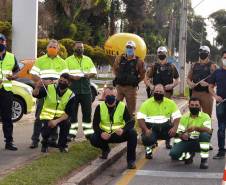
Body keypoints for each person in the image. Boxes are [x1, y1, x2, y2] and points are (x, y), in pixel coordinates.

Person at [29, 39, 68, 148]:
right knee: (39, 116)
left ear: (58, 49)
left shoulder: (62, 62)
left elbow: (65, 78)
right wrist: (41, 81)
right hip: (42, 90)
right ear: (47, 48)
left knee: (54, 115)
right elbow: (33, 75)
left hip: (56, 91)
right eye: (50, 46)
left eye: (54, 47)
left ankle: (53, 140)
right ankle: (35, 140)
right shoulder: (40, 60)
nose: (52, 48)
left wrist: (54, 82)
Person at [89, 86, 137, 169]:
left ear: (116, 96)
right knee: (93, 138)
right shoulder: (99, 107)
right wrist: (101, 133)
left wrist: (123, 130)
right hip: (105, 135)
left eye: (113, 96)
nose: (110, 98)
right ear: (104, 96)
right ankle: (105, 149)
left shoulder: (122, 106)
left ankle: (131, 161)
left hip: (118, 134)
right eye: (108, 96)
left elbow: (130, 122)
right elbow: (95, 125)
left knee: (133, 133)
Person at [145, 46, 180, 149]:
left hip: (168, 95)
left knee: (168, 118)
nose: (161, 54)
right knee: (152, 117)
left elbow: (178, 79)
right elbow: (146, 78)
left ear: (166, 54)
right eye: (159, 52)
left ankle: (168, 141)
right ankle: (152, 139)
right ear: (157, 54)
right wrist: (151, 86)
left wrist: (172, 85)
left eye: (163, 52)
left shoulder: (172, 66)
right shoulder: (154, 66)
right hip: (155, 95)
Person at [32, 73, 75, 153]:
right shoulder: (50, 88)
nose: (61, 83)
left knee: (67, 124)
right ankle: (45, 143)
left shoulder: (71, 95)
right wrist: (37, 87)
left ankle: (62, 146)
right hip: (47, 116)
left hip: (60, 118)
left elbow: (67, 113)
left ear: (69, 83)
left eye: (64, 81)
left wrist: (56, 121)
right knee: (45, 132)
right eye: (60, 80)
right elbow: (35, 95)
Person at [137, 84, 181, 159]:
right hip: (151, 129)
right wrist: (145, 129)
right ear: (153, 92)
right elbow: (140, 118)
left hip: (165, 128)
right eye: (156, 91)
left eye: (160, 92)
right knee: (146, 138)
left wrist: (175, 128)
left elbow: (177, 116)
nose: (158, 93)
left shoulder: (170, 103)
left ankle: (176, 150)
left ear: (164, 93)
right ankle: (148, 151)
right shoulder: (146, 103)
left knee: (181, 132)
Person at [66, 41, 97, 139]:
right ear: (74, 48)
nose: (80, 49)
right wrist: (72, 77)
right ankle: (72, 133)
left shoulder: (88, 59)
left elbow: (94, 72)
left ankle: (88, 133)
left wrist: (89, 75)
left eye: (82, 47)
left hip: (86, 91)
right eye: (78, 47)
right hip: (72, 91)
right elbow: (64, 74)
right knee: (72, 113)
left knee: (87, 113)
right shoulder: (67, 60)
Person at [170, 97, 212, 169]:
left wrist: (196, 128)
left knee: (204, 135)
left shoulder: (205, 116)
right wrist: (182, 135)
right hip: (188, 141)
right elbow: (179, 132)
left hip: (200, 141)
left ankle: (204, 161)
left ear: (200, 106)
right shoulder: (184, 117)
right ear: (188, 106)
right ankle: (189, 155)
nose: (194, 107)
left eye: (196, 105)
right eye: (192, 105)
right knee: (174, 154)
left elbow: (209, 130)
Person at [112, 41, 145, 117]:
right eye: (127, 47)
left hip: (131, 89)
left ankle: (130, 126)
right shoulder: (119, 58)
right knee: (116, 107)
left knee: (131, 111)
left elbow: (142, 75)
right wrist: (119, 77)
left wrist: (135, 81)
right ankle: (117, 124)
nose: (129, 49)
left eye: (131, 47)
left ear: (134, 49)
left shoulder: (139, 61)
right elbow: (114, 69)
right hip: (119, 88)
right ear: (125, 48)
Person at [0, 33, 20, 150]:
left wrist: (13, 77)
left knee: (7, 117)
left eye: (2, 41)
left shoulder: (11, 57)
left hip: (6, 91)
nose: (0, 43)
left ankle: (9, 142)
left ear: (5, 43)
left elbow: (17, 71)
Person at [187, 45, 217, 117]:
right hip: (195, 93)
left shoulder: (212, 66)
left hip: (207, 94)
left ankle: (207, 128)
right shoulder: (194, 65)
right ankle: (194, 128)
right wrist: (190, 83)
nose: (202, 53)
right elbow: (188, 78)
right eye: (201, 51)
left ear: (208, 54)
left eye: (204, 52)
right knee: (194, 115)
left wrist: (207, 84)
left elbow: (217, 81)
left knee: (207, 116)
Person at [209, 50, 226, 159]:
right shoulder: (217, 72)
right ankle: (221, 151)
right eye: (225, 57)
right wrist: (215, 96)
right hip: (221, 104)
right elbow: (210, 87)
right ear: (222, 59)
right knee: (221, 128)